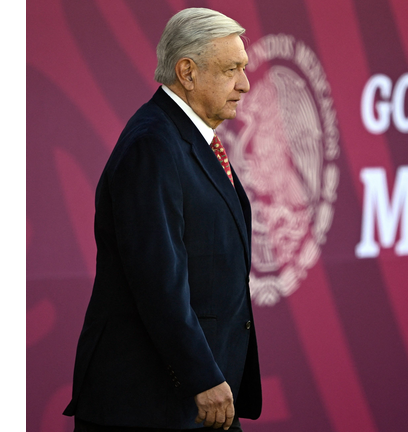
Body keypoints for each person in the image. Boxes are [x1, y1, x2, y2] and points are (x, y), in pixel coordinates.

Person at [63, 8, 261, 431]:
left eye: (243, 69)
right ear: (187, 72)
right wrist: (202, 375)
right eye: (231, 70)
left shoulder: (187, 137)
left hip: (194, 399)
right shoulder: (152, 144)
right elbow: (158, 280)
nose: (244, 84)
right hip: (152, 403)